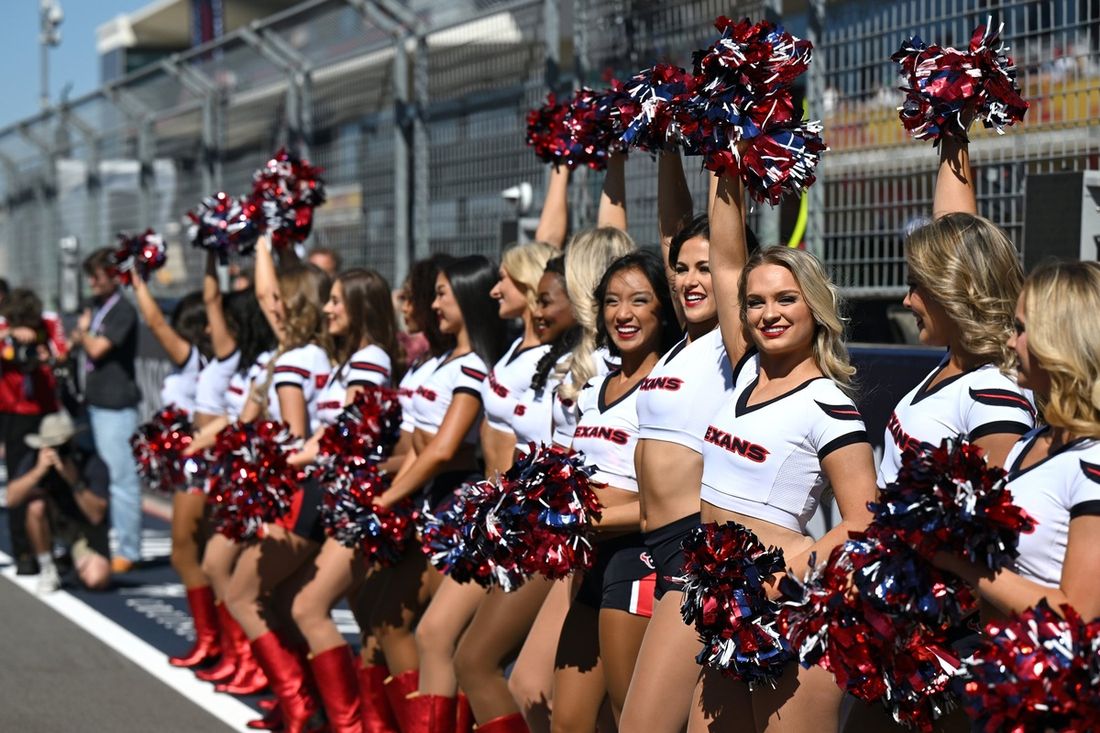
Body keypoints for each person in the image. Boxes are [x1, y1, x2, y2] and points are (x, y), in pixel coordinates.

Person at [686, 172, 878, 733]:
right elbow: (725, 263)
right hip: (719, 601)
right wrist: (727, 153)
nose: (769, 313)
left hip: (782, 608)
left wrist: (792, 570)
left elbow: (866, 522)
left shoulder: (829, 406)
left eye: (786, 299)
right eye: (756, 302)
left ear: (814, 306)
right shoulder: (746, 368)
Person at [412, 241, 555, 723]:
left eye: (507, 280)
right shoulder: (515, 347)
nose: (496, 289)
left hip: (526, 524)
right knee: (440, 636)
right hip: (486, 518)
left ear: (533, 287)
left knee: (469, 654)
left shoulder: (559, 362)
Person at [370, 255, 506, 727]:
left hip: (454, 500)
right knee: (399, 622)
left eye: (444, 292)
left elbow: (445, 448)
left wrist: (386, 497)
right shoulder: (439, 359)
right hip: (428, 495)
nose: (434, 302)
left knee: (433, 632)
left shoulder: (474, 365)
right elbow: (419, 445)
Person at [551, 251, 679, 731]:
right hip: (589, 559)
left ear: (662, 309)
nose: (623, 314)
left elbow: (665, 505)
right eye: (612, 301)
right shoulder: (596, 387)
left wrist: (585, 521)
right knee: (570, 720)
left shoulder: (670, 390)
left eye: (639, 300)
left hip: (636, 559)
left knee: (631, 719)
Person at [933, 260, 1100, 621]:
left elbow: (1078, 614)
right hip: (1000, 668)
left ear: (1060, 339)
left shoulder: (1093, 461)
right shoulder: (1030, 442)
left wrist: (962, 564)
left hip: (1054, 676)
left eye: (1021, 329)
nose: (1010, 341)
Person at [71, 247, 143, 574]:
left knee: (121, 478)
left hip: (116, 406)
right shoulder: (98, 308)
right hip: (95, 404)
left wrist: (84, 332)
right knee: (98, 476)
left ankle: (128, 549)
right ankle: (106, 540)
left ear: (113, 275)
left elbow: (98, 348)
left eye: (97, 276)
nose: (92, 282)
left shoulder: (122, 310)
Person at [6, 412, 110, 593]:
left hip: (83, 528)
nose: (56, 453)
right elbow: (11, 499)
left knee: (96, 580)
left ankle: (71, 560)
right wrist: (38, 471)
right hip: (54, 521)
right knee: (35, 506)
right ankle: (48, 567)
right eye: (51, 447)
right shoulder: (36, 459)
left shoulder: (90, 462)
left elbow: (96, 516)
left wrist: (74, 481)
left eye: (60, 447)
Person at [0, 288, 62, 576]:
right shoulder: (3, 326)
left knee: (54, 479)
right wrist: (9, 335)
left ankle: (55, 544)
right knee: (18, 481)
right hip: (13, 414)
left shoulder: (49, 323)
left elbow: (61, 354)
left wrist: (45, 352)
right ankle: (23, 550)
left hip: (47, 411)